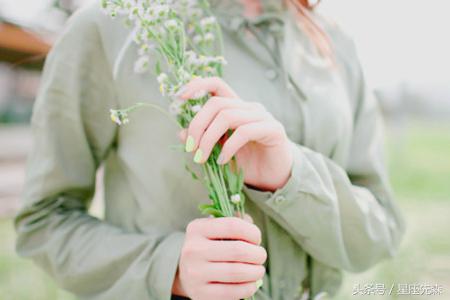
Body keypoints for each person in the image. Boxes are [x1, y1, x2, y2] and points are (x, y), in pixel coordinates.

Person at [14, 0, 405, 299]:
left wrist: (289, 177)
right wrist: (170, 267)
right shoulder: (110, 27)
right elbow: (43, 223)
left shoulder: (334, 43)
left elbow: (381, 230)